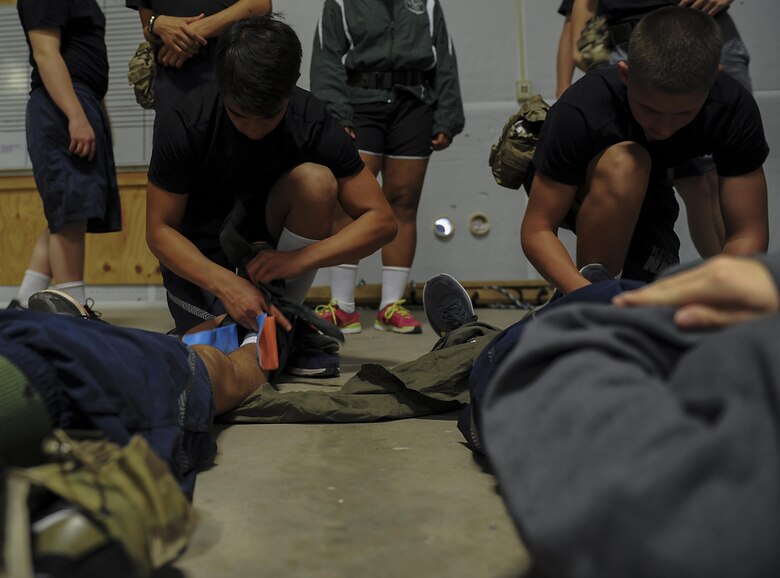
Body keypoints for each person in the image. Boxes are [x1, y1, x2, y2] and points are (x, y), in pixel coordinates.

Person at [145, 14, 397, 378]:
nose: (254, 130)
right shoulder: (185, 122)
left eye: (268, 117)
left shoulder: (311, 118)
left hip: (268, 242)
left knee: (317, 182)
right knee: (214, 350)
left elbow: (382, 222)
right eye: (240, 115)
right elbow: (159, 231)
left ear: (290, 89)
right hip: (203, 255)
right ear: (221, 86)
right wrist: (225, 284)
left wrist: (298, 260)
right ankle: (268, 331)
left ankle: (284, 321)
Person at [520, 6, 768, 295]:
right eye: (649, 109)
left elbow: (747, 233)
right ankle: (596, 289)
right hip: (582, 187)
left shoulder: (732, 108)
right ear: (625, 74)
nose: (664, 127)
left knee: (651, 279)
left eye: (684, 113)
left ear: (714, 79)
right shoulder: (582, 109)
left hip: (653, 184)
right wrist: (587, 295)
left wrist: (725, 295)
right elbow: (537, 229)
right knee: (628, 163)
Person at [310, 0, 465, 335]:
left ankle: (391, 307)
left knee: (403, 204)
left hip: (414, 107)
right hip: (360, 106)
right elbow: (327, 59)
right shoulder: (340, 3)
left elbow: (445, 59)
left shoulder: (426, 3)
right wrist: (337, 112)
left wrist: (447, 117)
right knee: (348, 204)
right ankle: (342, 307)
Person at [570, 0, 754, 258]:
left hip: (702, 36)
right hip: (629, 41)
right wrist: (577, 46)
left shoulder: (730, 98)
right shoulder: (586, 100)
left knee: (715, 176)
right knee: (673, 180)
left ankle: (733, 277)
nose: (665, 126)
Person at [8, 0, 122, 318]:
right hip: (62, 101)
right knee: (70, 212)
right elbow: (45, 52)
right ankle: (74, 312)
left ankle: (23, 305)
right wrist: (75, 115)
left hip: (81, 100)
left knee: (67, 212)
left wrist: (97, 119)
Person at [126, 0, 272, 129]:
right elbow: (148, 27)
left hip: (233, 65)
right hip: (174, 75)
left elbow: (260, 5)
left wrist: (194, 33)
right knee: (174, 143)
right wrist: (157, 23)